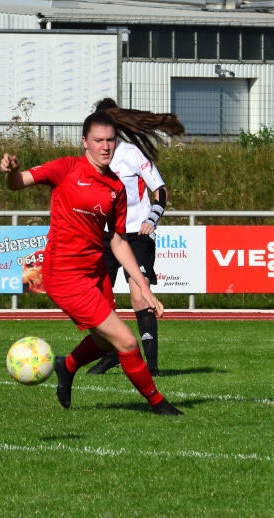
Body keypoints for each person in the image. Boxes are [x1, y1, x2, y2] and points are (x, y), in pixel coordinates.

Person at [0, 110, 183, 415]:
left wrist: (145, 290)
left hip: (94, 270)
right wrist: (10, 171)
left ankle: (66, 366)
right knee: (125, 341)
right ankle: (158, 404)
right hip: (65, 275)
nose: (105, 146)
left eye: (110, 140)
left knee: (105, 341)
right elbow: (18, 183)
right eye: (98, 140)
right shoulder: (65, 169)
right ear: (84, 142)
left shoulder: (115, 188)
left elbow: (118, 240)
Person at [87, 98, 171, 377]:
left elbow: (160, 190)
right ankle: (110, 353)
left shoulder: (131, 153)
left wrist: (152, 218)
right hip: (105, 238)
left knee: (139, 296)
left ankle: (153, 366)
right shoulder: (91, 157)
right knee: (95, 301)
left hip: (136, 237)